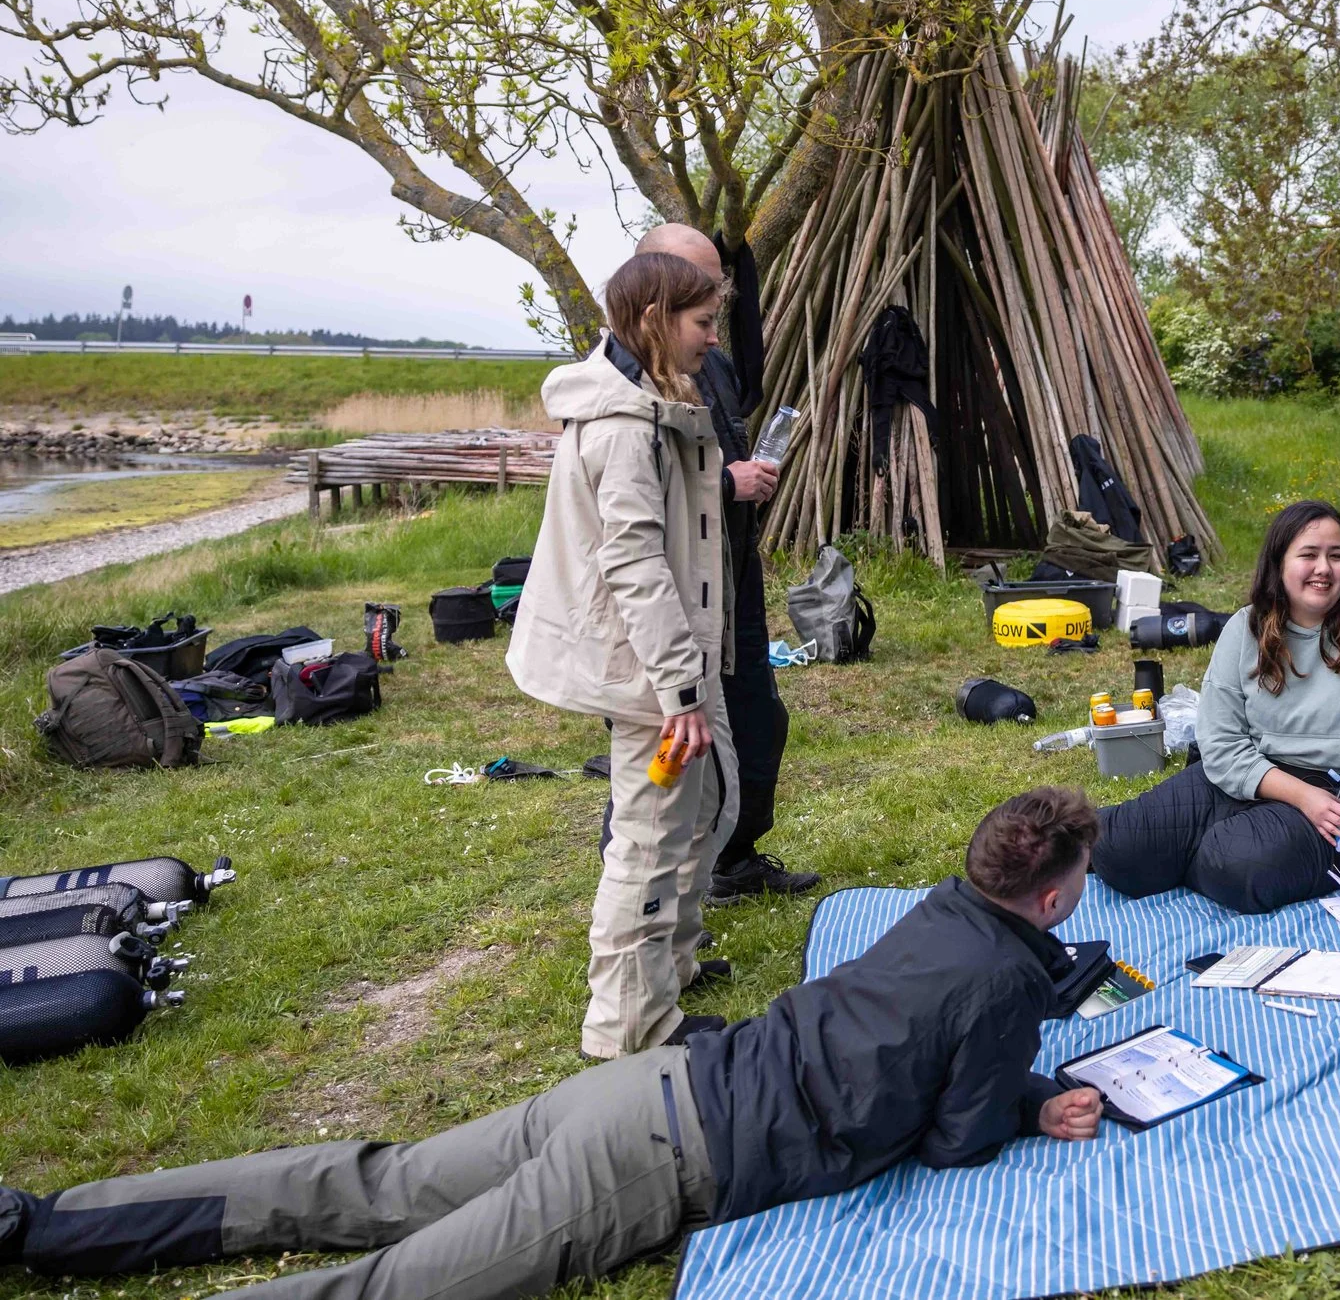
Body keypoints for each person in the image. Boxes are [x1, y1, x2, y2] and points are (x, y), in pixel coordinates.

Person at [0, 789, 1108, 1299]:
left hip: (643, 1082)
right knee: (385, 1285)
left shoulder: (935, 908)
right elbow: (959, 1139)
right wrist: (1025, 1099)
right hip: (654, 1162)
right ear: (1055, 895)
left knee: (372, 1178)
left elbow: (918, 1027)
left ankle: (42, 1223)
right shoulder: (1005, 982)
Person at [508, 251, 742, 1059]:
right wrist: (681, 690)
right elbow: (635, 565)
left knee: (688, 821)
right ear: (654, 321)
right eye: (703, 323)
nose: (714, 339)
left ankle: (664, 989)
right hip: (649, 673)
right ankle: (624, 1032)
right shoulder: (619, 426)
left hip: (669, 663)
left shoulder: (649, 402)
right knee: (647, 838)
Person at [1090, 499, 1340, 914]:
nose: (1323, 568)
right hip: (1249, 775)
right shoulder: (1244, 627)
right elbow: (1219, 741)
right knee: (1117, 849)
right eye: (1308, 555)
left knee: (1235, 867)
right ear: (1279, 563)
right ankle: (1194, 849)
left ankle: (1200, 854)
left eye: (1336, 555)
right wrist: (1297, 795)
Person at [633, 223, 819, 903]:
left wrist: (745, 476)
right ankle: (642, 903)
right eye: (704, 300)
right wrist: (726, 484)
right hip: (674, 594)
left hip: (731, 577)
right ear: (657, 289)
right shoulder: (631, 383)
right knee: (661, 760)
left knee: (758, 722)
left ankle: (731, 860)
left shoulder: (703, 358)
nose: (716, 320)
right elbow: (636, 502)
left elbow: (723, 438)